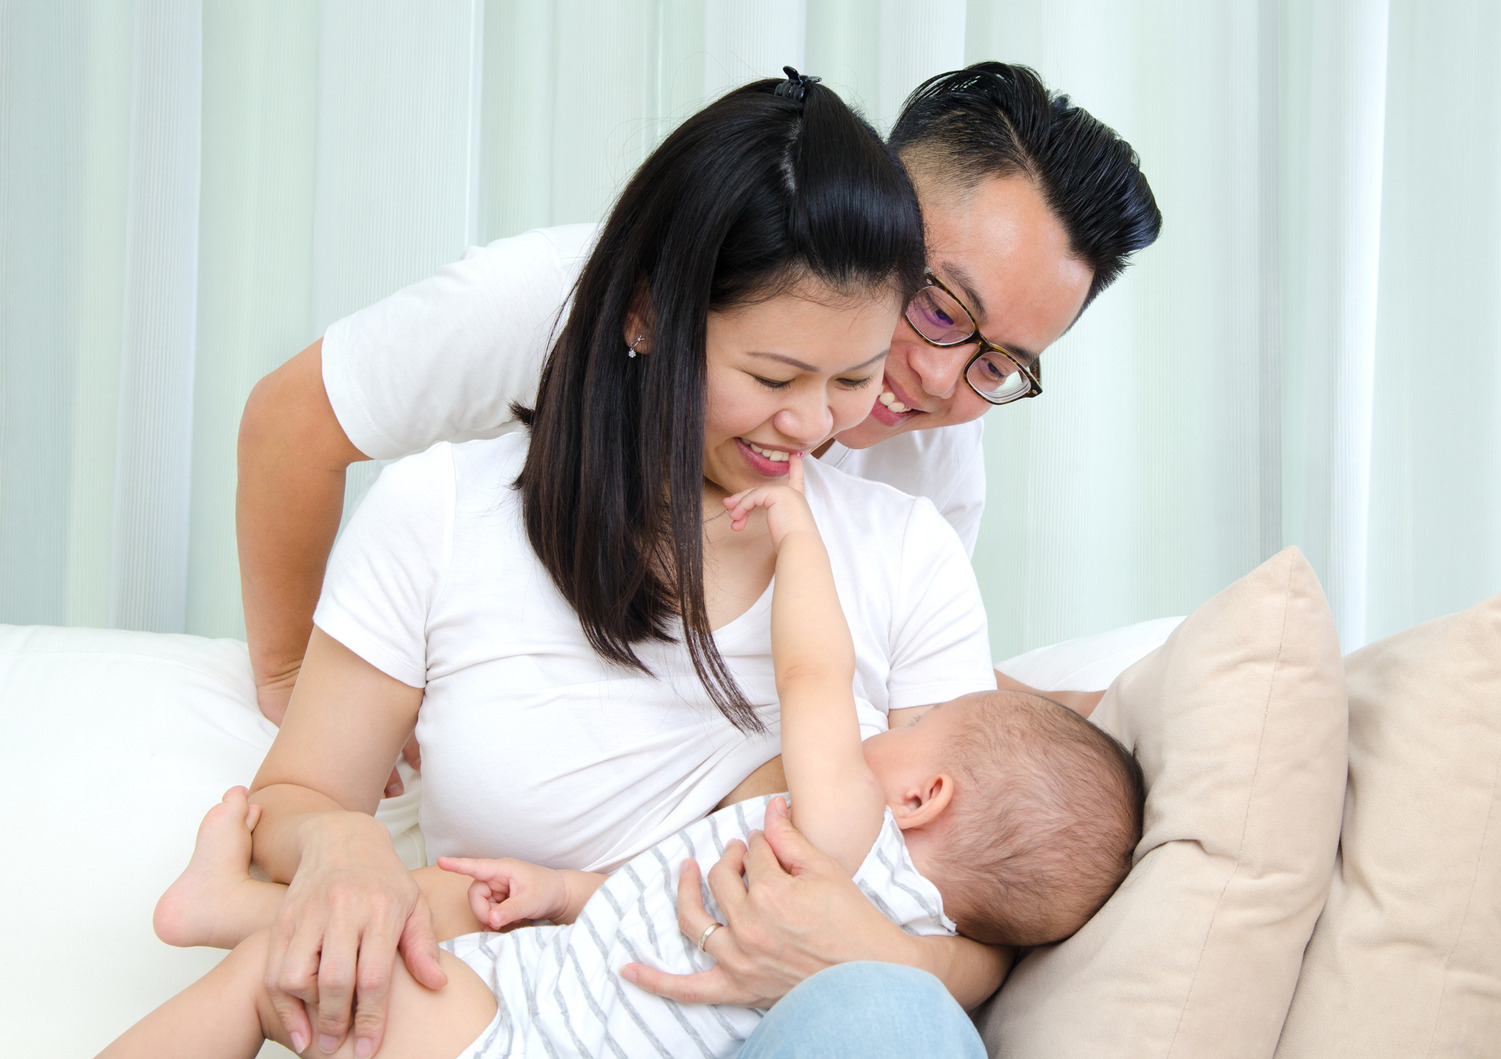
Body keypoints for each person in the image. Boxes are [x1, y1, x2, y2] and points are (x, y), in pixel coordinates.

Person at [238, 69, 1017, 1059]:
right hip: (511, 1029)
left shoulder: (908, 556)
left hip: (806, 1033)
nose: (813, 424)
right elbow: (293, 802)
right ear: (647, 313)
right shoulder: (442, 517)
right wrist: (338, 842)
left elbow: (985, 926)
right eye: (774, 377)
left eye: (853, 380)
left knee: (885, 1021)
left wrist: (859, 953)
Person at [106, 462, 1143, 1059]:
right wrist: (566, 889)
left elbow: (817, 677)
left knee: (265, 989)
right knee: (446, 911)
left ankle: (235, 928)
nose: (879, 729)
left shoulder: (846, 825)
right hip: (548, 994)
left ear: (923, 791)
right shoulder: (880, 895)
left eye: (906, 731)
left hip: (523, 1037)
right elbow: (670, 907)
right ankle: (236, 912)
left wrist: (799, 544)